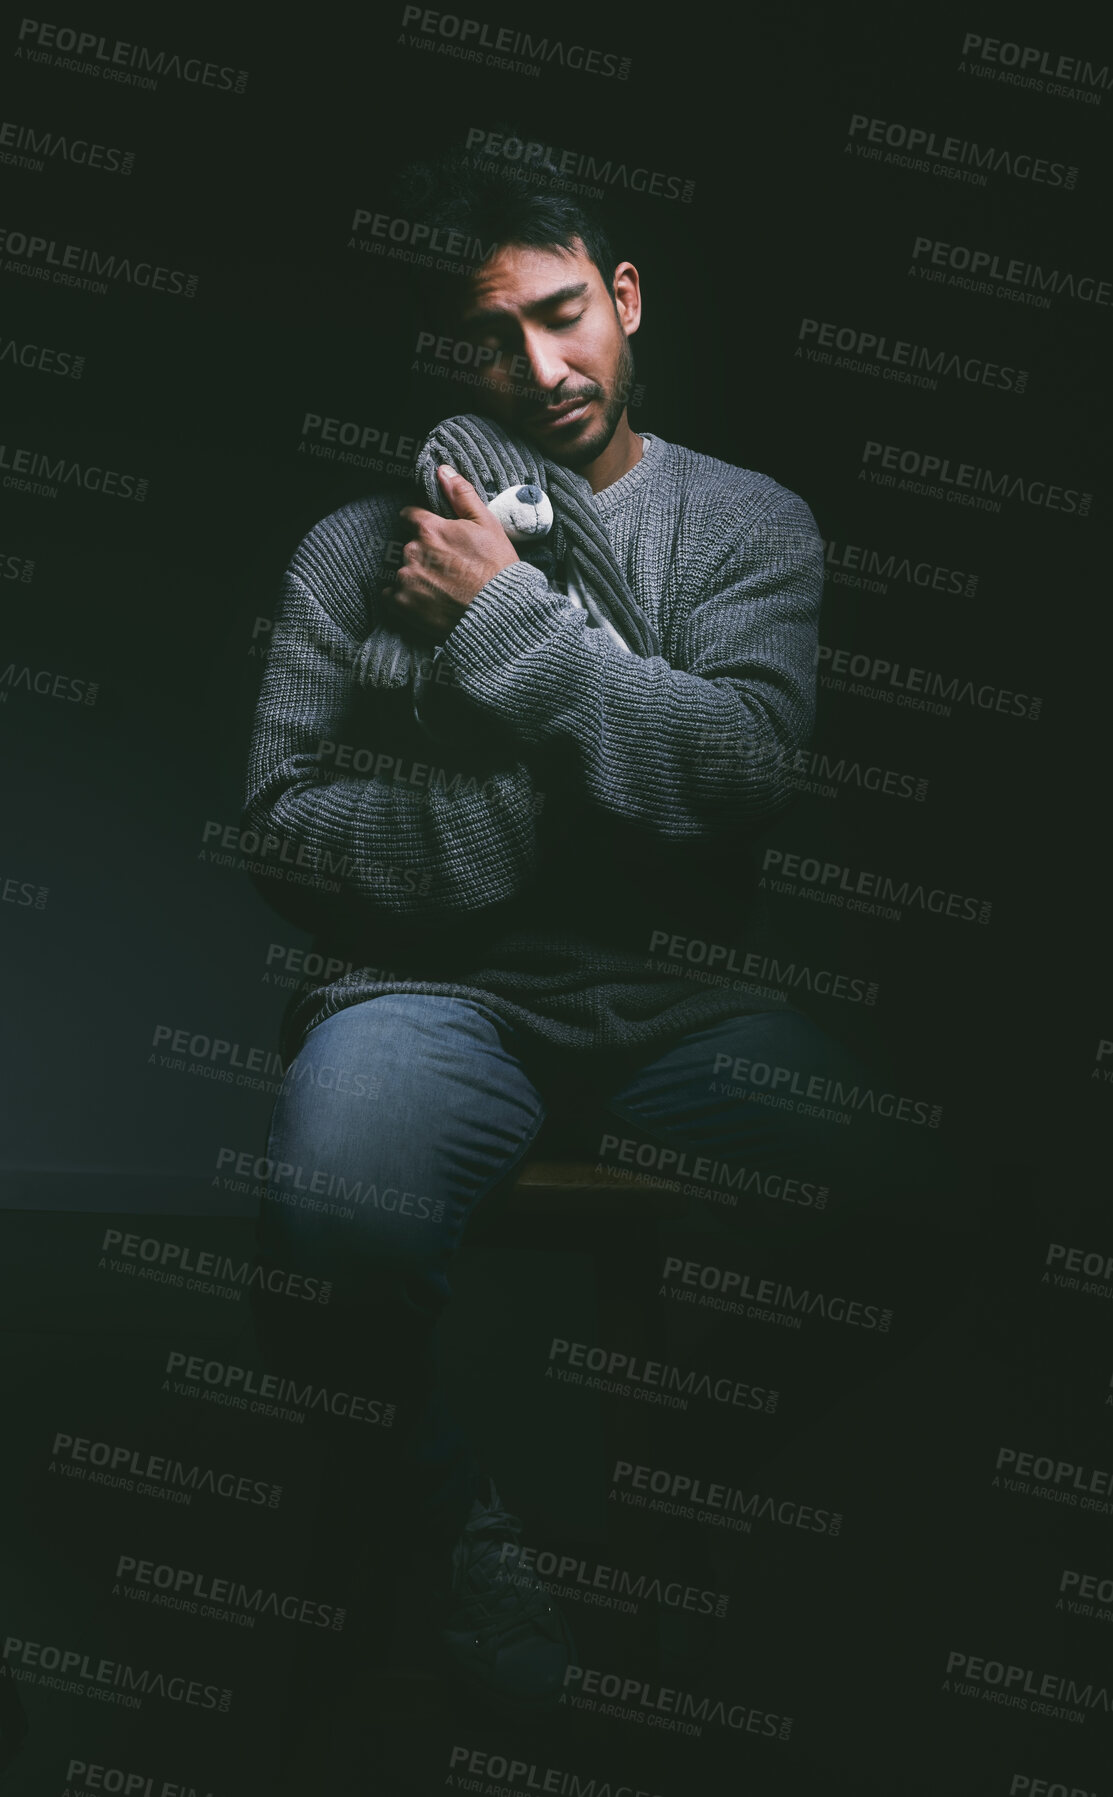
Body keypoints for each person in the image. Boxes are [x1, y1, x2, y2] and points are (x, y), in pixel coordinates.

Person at [241, 146, 955, 1726]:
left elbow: (739, 771)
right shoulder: (350, 552)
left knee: (916, 1203)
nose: (539, 367)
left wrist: (507, 623)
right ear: (451, 348)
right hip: (425, 994)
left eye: (563, 314)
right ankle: (467, 1546)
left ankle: (673, 1494)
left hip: (678, 1000)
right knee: (334, 1221)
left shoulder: (746, 523)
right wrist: (490, 835)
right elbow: (281, 826)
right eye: (492, 336)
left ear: (623, 299)